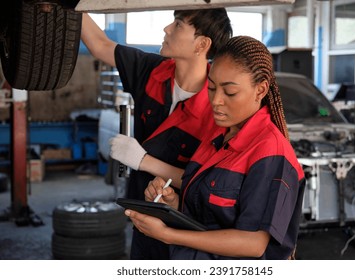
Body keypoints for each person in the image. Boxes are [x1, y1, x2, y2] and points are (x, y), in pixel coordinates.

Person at [125, 36, 306, 260]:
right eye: (211, 88)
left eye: (229, 92)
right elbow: (212, 212)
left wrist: (170, 235)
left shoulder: (270, 153)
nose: (216, 100)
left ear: (260, 91)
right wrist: (173, 204)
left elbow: (254, 243)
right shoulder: (217, 136)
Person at [81, 9, 232, 259]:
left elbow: (205, 183)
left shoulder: (216, 109)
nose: (167, 29)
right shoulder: (152, 70)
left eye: (179, 24)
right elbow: (100, 45)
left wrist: (143, 161)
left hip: (188, 229)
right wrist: (72, 7)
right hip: (141, 217)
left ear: (202, 44)